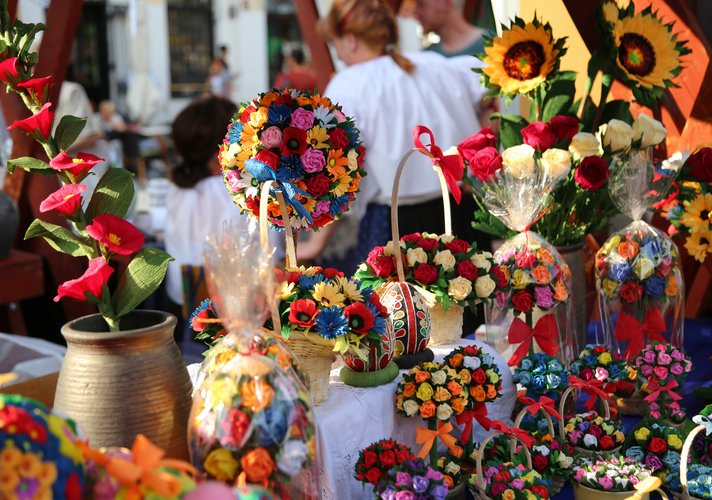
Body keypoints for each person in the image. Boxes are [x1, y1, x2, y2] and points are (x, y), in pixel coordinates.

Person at [298, 0, 486, 275]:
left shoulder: (350, 85)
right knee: (467, 296)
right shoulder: (438, 66)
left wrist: (317, 242)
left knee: (400, 302)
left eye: (335, 44)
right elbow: (488, 102)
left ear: (351, 40)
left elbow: (336, 170)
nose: (338, 54)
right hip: (459, 213)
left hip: (395, 224)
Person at [164, 96, 283, 339]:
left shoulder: (178, 192)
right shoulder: (240, 192)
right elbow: (273, 254)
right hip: (251, 322)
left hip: (191, 318)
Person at [413, 0, 485, 58]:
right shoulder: (427, 57)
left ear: (447, 3)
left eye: (421, 4)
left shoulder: (489, 47)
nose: (415, 12)